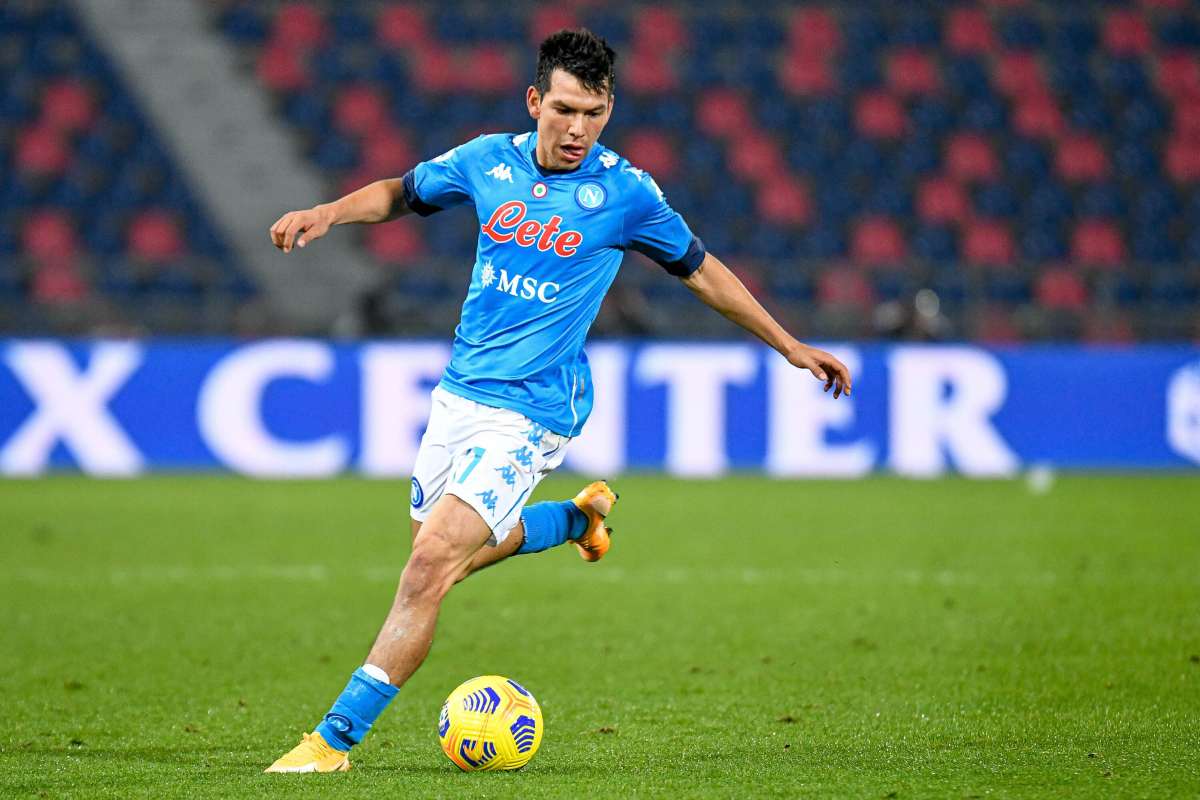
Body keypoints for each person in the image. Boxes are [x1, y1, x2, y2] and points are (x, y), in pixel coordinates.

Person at [264, 28, 851, 773]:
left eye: (594, 114)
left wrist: (788, 344)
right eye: (566, 110)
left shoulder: (627, 194)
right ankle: (575, 520)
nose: (578, 129)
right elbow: (400, 194)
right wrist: (329, 212)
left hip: (535, 409)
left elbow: (702, 271)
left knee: (428, 567)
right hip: (460, 393)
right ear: (534, 101)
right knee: (447, 559)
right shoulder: (485, 161)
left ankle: (332, 742)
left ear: (609, 111)